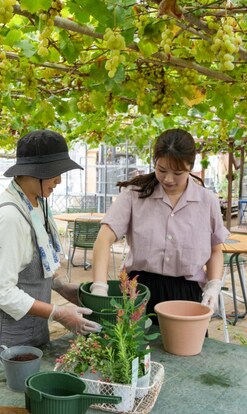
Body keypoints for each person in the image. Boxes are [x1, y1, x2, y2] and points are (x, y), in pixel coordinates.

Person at [0, 129, 101, 368]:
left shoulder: (37, 204)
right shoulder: (9, 218)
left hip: (33, 330)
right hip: (5, 338)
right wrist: (59, 313)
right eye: (55, 172)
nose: (59, 180)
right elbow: (1, 290)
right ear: (35, 171)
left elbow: (38, 264)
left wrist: (63, 288)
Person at [90, 128, 229, 323]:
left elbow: (215, 250)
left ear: (191, 166)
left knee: (185, 343)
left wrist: (213, 285)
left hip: (186, 294)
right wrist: (99, 286)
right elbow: (104, 239)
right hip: (138, 291)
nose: (168, 179)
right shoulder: (134, 195)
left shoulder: (207, 201)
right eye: (161, 170)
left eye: (177, 173)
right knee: (133, 342)